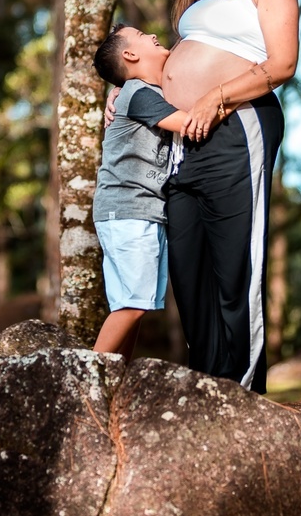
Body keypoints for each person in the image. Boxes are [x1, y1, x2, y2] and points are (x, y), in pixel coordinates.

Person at [106, 0, 299, 392]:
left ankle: (246, 391)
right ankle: (209, 388)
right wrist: (125, 88)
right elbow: (167, 62)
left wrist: (216, 96)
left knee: (237, 263)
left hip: (237, 126)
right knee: (189, 270)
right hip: (183, 145)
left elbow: (282, 64)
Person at [90, 24, 191, 362]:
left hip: (132, 211)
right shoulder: (138, 93)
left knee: (134, 305)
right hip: (128, 210)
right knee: (133, 304)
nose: (153, 35)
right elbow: (187, 125)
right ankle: (89, 379)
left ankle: (116, 377)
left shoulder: (138, 91)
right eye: (143, 35)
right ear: (130, 55)